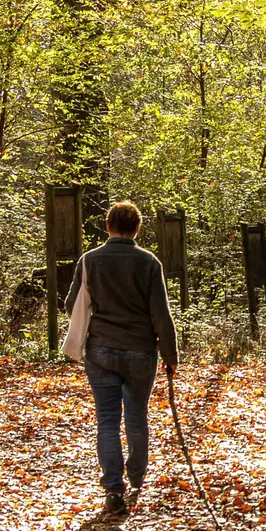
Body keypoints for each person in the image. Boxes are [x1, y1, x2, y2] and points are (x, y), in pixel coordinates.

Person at [62, 201, 179, 513]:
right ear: (137, 228)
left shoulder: (90, 261)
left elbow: (70, 306)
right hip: (141, 351)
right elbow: (160, 314)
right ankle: (138, 477)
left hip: (100, 350)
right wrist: (170, 355)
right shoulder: (149, 262)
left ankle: (113, 488)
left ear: (107, 225)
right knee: (137, 415)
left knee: (108, 420)